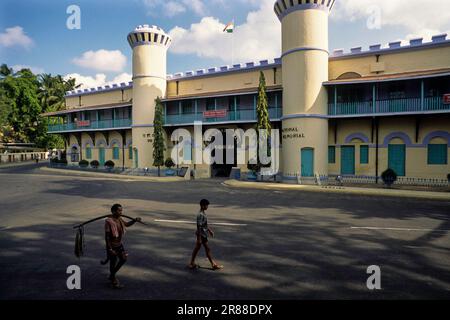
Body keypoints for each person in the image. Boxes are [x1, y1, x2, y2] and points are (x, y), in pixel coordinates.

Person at [105, 204, 141, 288]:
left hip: (119, 244)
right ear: (113, 211)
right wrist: (110, 249)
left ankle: (111, 275)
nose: (121, 212)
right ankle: (113, 280)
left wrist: (134, 220)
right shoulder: (108, 221)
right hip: (112, 246)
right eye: (119, 210)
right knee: (113, 263)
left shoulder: (119, 218)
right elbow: (106, 237)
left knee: (123, 259)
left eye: (121, 210)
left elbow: (126, 224)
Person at [188, 199, 223, 270]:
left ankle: (192, 262)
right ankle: (213, 264)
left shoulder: (203, 213)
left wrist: (209, 230)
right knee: (205, 249)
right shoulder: (200, 215)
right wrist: (199, 238)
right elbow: (199, 226)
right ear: (202, 205)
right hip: (201, 235)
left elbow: (205, 224)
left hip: (203, 234)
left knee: (199, 248)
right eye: (206, 205)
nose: (207, 206)